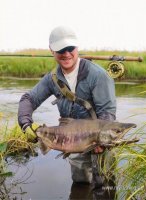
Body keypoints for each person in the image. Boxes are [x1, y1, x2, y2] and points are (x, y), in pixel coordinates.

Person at [18, 26, 116, 186]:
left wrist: (101, 140)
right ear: (51, 50)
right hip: (72, 144)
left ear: (77, 47)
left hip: (98, 143)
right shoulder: (52, 79)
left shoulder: (98, 76)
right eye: (60, 49)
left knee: (105, 187)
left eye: (70, 48)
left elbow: (107, 113)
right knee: (80, 186)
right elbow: (28, 99)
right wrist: (25, 123)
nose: (66, 53)